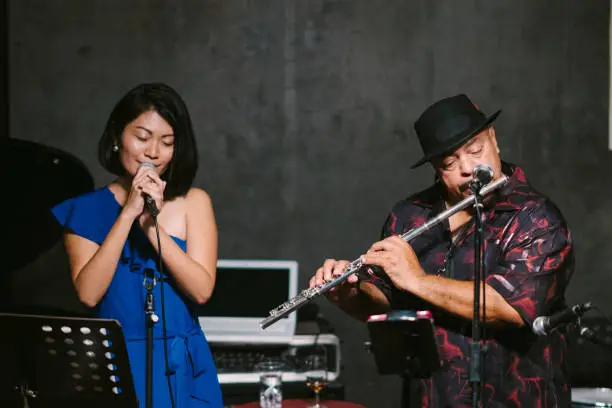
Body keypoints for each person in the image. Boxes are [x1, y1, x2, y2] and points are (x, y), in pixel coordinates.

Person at [310, 94, 574, 407]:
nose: (468, 168)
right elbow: (386, 305)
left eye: (476, 150)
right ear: (437, 168)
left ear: (494, 140)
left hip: (516, 399)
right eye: (449, 163)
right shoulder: (409, 215)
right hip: (430, 399)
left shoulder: (536, 218)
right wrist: (350, 295)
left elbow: (511, 307)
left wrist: (417, 280)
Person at [52, 83, 224, 407]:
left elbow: (201, 290)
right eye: (142, 137)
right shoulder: (85, 210)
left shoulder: (194, 202)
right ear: (117, 137)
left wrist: (150, 224)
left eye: (167, 142)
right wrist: (128, 213)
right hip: (117, 367)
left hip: (183, 368)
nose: (153, 152)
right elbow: (89, 293)